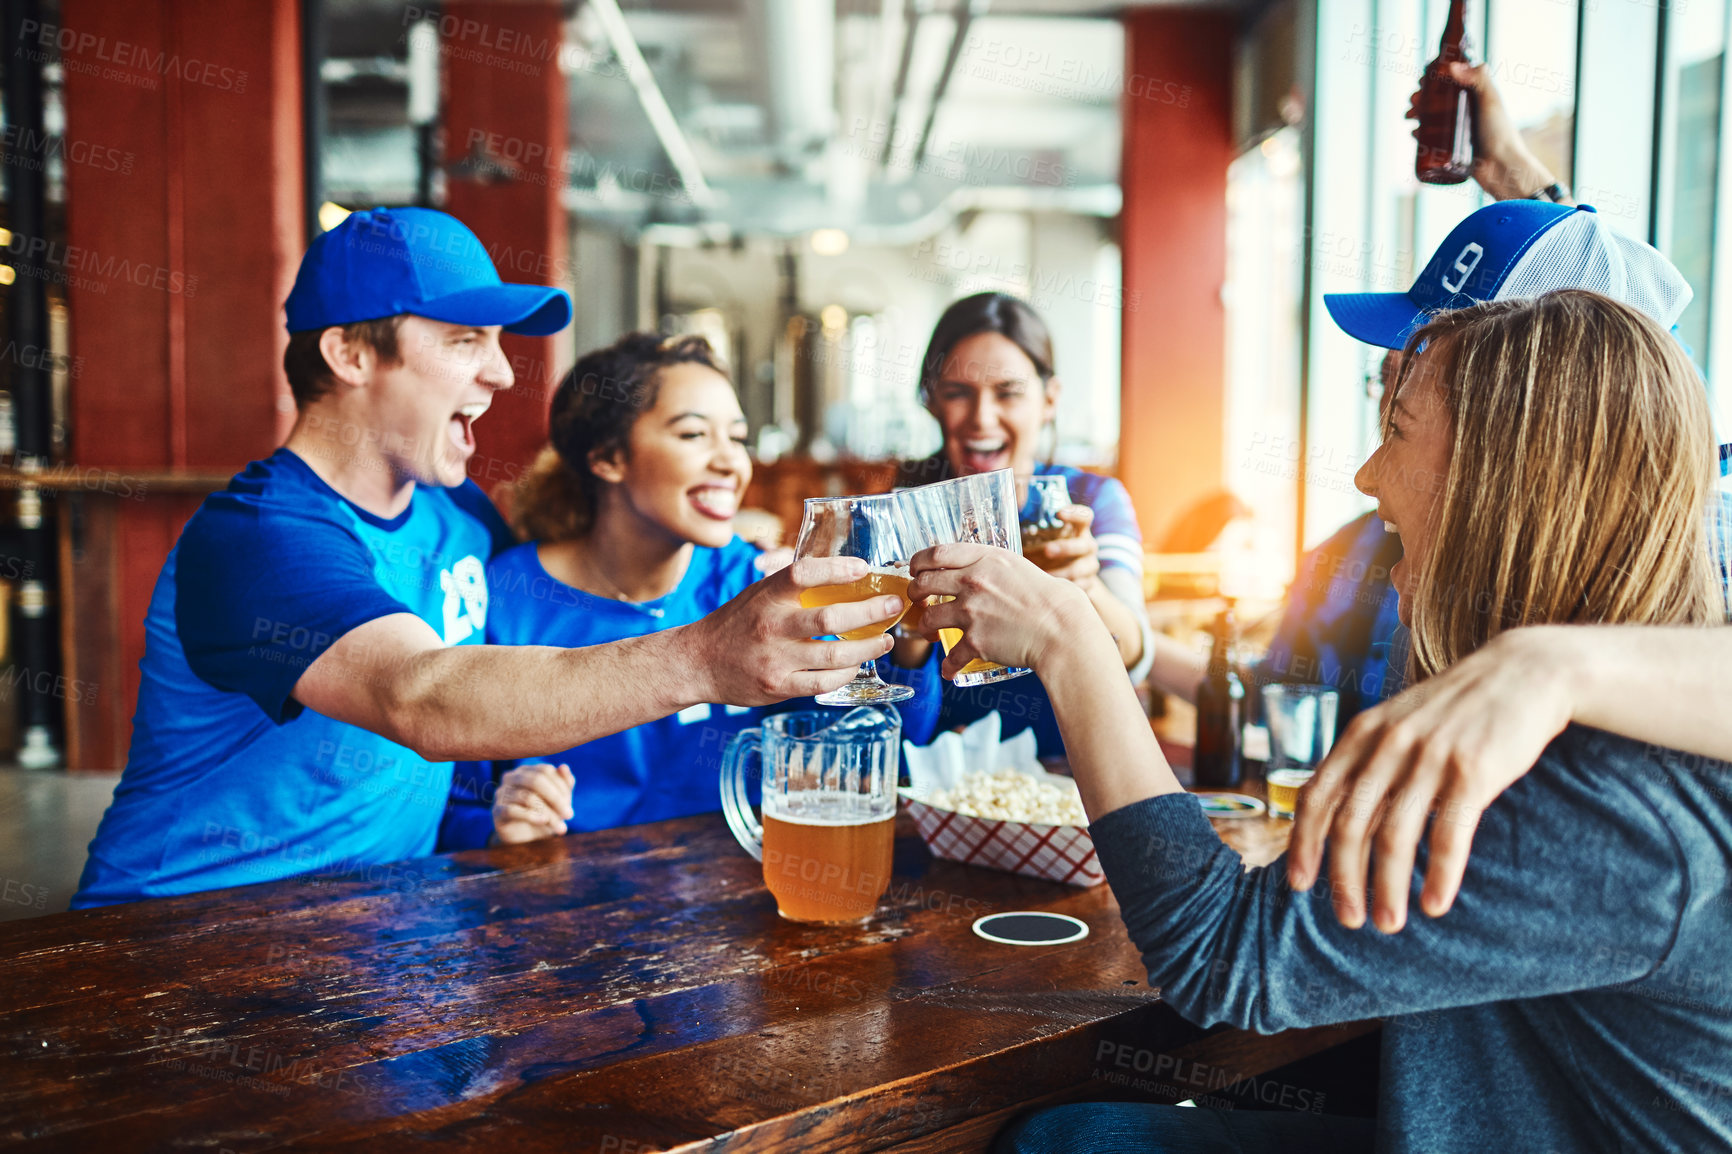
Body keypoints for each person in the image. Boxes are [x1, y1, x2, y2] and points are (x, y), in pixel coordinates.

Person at [913, 291, 1732, 1152]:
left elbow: (1221, 955)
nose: (1368, 474)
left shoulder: (1599, 801)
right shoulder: (1628, 685)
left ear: (1502, 481)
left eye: (1402, 428)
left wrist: (1065, 639)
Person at [73, 208, 903, 907]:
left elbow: (545, 627)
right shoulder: (258, 537)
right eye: (466, 340)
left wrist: (721, 541)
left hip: (381, 925)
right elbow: (423, 698)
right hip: (186, 934)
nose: (503, 373)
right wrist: (709, 657)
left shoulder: (455, 515)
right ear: (351, 355)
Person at [439, 332, 939, 845]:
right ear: (607, 457)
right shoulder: (500, 599)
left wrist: (910, 643)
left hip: (734, 897)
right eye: (694, 435)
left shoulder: (754, 584)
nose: (731, 463)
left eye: (738, 437)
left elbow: (876, 750)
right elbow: (446, 809)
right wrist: (499, 825)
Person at [892, 292, 1152, 756]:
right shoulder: (907, 508)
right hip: (941, 785)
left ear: (1049, 400)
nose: (982, 417)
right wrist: (910, 628)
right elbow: (897, 727)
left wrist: (1087, 587)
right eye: (958, 393)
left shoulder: (1090, 502)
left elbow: (1133, 652)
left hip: (1063, 776)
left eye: (1008, 393)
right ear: (932, 400)